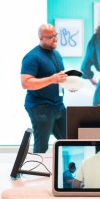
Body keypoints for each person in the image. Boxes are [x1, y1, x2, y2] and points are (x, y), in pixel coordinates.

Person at [21, 24, 68, 153]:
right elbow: (26, 83)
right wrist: (52, 79)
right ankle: (37, 171)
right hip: (40, 106)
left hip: (58, 105)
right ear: (41, 38)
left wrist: (69, 85)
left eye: (56, 35)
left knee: (69, 141)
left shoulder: (56, 54)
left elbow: (59, 77)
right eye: (51, 37)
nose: (56, 39)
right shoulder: (32, 57)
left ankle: (62, 171)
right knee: (42, 146)